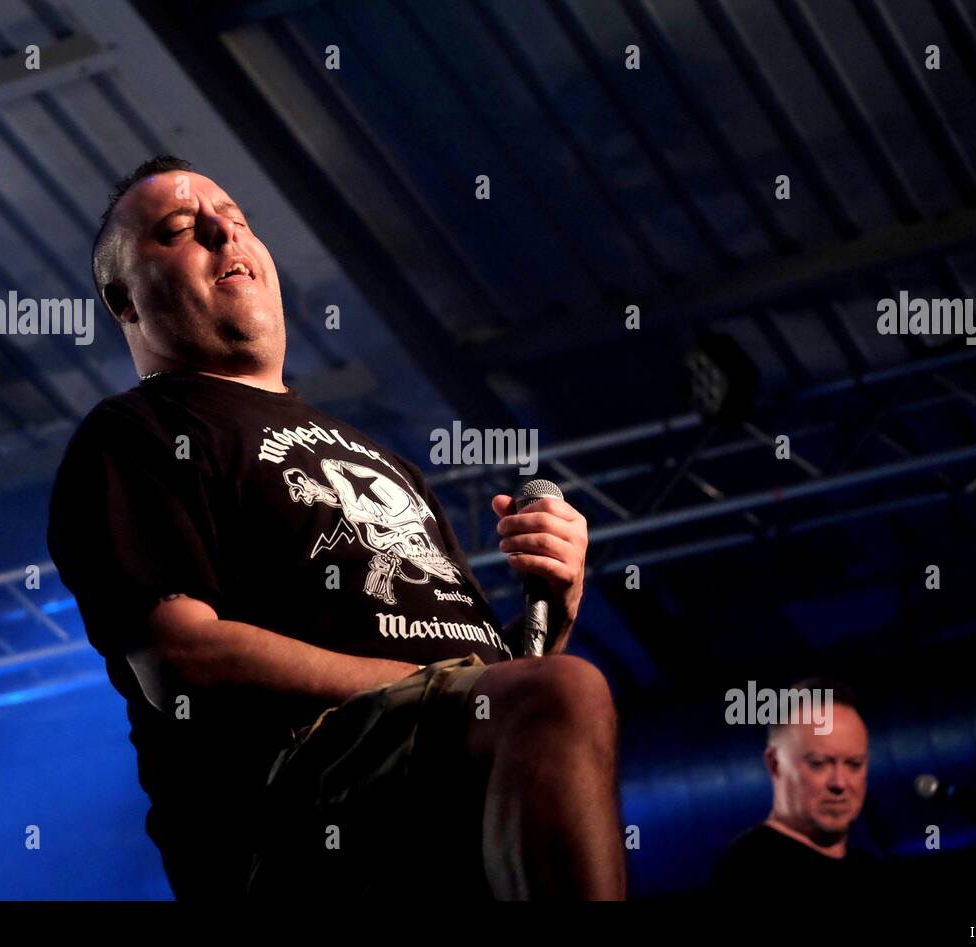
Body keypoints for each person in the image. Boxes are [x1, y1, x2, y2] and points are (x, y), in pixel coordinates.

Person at [45, 155, 625, 901]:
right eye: (183, 229)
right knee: (561, 694)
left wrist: (556, 613)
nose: (226, 229)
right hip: (292, 811)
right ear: (124, 300)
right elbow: (181, 657)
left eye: (239, 218)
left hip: (434, 782)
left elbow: (495, 686)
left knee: (558, 697)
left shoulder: (384, 461)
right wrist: (485, 689)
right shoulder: (137, 433)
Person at [709, 678, 876, 909]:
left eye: (854, 764)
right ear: (775, 763)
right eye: (819, 764)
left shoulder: (870, 869)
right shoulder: (748, 869)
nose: (839, 783)